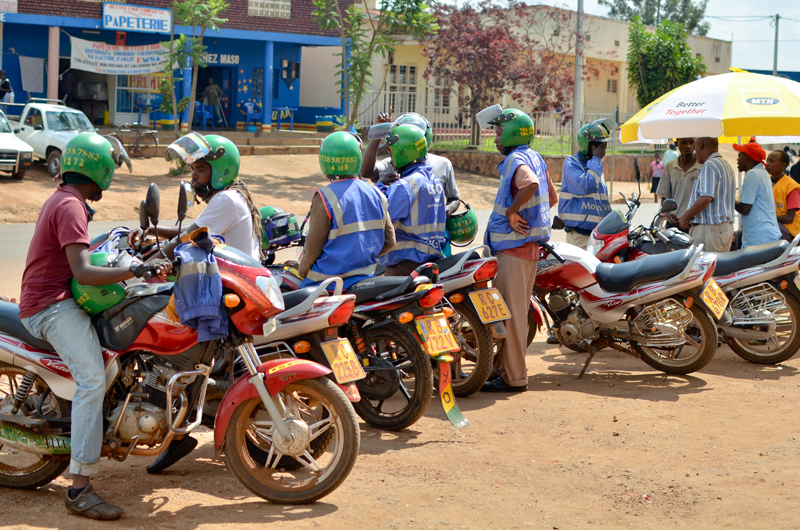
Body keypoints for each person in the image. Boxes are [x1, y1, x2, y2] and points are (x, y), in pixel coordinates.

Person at [19, 134, 172, 520]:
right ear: (98, 169)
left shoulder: (67, 200)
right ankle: (79, 488)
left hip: (62, 299)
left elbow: (86, 255)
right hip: (50, 307)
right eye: (110, 168)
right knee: (91, 380)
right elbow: (84, 272)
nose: (111, 176)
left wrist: (133, 256)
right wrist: (137, 269)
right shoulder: (70, 205)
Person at [479, 107, 558, 393]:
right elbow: (551, 197)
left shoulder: (516, 160)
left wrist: (513, 212)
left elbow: (531, 184)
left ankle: (514, 378)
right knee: (515, 315)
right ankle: (502, 370)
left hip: (513, 251)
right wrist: (528, 217)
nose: (495, 139)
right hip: (528, 250)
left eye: (499, 133)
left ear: (512, 134)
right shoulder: (535, 157)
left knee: (510, 318)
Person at [130, 133, 261, 261]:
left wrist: (142, 267)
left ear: (221, 171)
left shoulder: (226, 199)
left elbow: (184, 239)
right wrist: (151, 230)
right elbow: (194, 229)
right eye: (193, 169)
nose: (194, 175)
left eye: (201, 170)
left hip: (234, 274)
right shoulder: (231, 195)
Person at [297, 131, 395, 289]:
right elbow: (390, 241)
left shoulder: (325, 196)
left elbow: (312, 249)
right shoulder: (377, 193)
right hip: (367, 277)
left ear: (325, 161)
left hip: (326, 282)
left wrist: (301, 271)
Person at [376, 123, 447, 276]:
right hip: (431, 261)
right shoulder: (434, 181)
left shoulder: (404, 186)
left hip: (405, 266)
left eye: (392, 154)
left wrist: (379, 187)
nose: (390, 161)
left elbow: (380, 217)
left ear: (402, 154)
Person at [362, 112, 460, 216]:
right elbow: (366, 172)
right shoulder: (393, 162)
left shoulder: (443, 164)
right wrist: (378, 132)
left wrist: (446, 210)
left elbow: (454, 198)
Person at [558, 118, 615, 249]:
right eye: (601, 146)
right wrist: (596, 159)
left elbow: (602, 203)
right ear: (590, 146)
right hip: (580, 237)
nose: (604, 150)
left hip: (598, 236)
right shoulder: (572, 164)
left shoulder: (595, 167)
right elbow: (585, 186)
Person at [678, 137, 736, 252]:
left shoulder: (710, 165)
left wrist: (686, 216)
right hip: (725, 229)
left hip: (710, 230)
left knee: (703, 264)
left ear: (700, 145)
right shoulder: (727, 166)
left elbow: (706, 197)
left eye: (695, 147)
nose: (694, 152)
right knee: (720, 264)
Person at [733, 139, 781, 249]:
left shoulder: (753, 174)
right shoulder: (763, 173)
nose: (737, 159)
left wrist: (728, 197)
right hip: (766, 234)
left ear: (747, 158)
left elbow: (745, 209)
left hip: (759, 237)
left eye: (739, 156)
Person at [658, 137, 702, 226]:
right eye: (684, 142)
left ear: (696, 144)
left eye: (691, 142)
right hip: (674, 221)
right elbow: (665, 196)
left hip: (695, 223)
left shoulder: (703, 167)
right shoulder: (670, 166)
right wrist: (668, 214)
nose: (688, 146)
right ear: (676, 144)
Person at [765, 150, 800, 242]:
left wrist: (766, 218)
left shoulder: (791, 186)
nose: (767, 164)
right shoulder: (764, 182)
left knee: (762, 231)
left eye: (771, 161)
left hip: (788, 227)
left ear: (783, 165)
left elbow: (789, 218)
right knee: (741, 233)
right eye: (767, 160)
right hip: (770, 222)